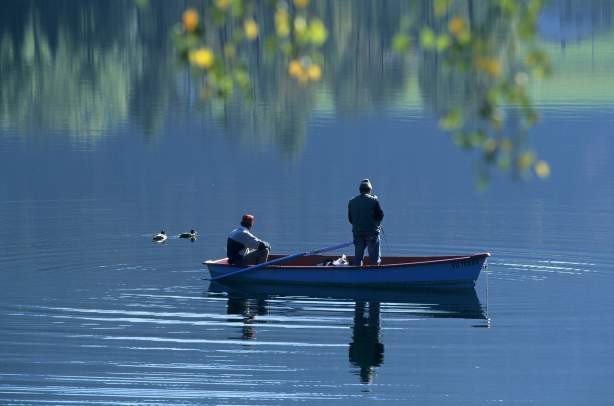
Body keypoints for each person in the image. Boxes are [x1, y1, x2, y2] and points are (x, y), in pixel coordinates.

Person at [348, 179, 384, 266]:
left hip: (358, 234)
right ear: (370, 190)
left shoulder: (352, 202)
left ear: (360, 190)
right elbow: (380, 216)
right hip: (372, 233)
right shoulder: (374, 201)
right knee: (375, 260)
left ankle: (358, 275)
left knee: (358, 258)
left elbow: (350, 219)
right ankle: (376, 275)